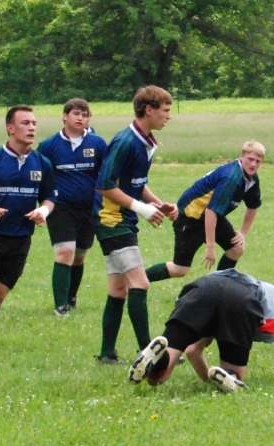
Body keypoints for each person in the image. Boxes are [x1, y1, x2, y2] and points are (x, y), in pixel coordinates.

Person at [92, 86, 179, 364]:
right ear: (148, 110)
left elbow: (135, 183)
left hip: (123, 220)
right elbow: (104, 186)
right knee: (140, 284)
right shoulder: (126, 142)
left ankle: (107, 354)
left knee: (118, 289)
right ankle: (148, 355)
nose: (169, 116)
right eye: (166, 110)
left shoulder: (146, 142)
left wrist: (157, 202)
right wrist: (141, 209)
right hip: (111, 221)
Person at [127, 269, 274, 393]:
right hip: (240, 297)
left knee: (156, 379)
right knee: (235, 378)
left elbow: (193, 351)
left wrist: (207, 380)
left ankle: (159, 359)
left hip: (202, 288)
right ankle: (229, 376)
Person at [0, 106, 56, 384]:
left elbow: (50, 197)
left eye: (34, 123)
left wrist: (44, 212)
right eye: (25, 122)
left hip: (21, 239)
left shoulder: (42, 163)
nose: (32, 127)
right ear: (10, 128)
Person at [145, 141, 264, 283]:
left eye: (258, 161)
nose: (253, 164)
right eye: (250, 159)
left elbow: (253, 205)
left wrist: (243, 234)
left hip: (211, 216)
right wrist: (210, 246)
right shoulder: (232, 178)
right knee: (180, 269)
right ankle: (137, 280)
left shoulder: (251, 178)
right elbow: (210, 211)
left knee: (236, 249)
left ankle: (217, 289)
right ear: (241, 157)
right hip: (190, 217)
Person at [37, 98, 108, 316]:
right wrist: (43, 206)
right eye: (77, 114)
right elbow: (41, 177)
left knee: (79, 255)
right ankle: (61, 306)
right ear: (65, 116)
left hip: (89, 209)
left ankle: (71, 297)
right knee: (65, 252)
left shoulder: (97, 143)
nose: (81, 118)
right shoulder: (49, 146)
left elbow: (105, 176)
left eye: (85, 115)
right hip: (61, 208)